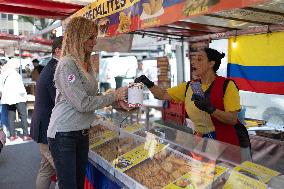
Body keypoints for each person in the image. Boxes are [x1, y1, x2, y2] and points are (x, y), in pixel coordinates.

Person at [47, 17, 129, 189]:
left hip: (81, 133)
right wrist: (113, 96)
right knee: (69, 185)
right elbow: (83, 103)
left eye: (95, 38)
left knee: (77, 183)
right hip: (64, 134)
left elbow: (92, 96)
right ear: (78, 37)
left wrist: (116, 103)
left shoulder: (85, 63)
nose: (94, 42)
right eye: (90, 37)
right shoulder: (67, 64)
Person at [135, 47, 251, 161]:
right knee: (204, 174)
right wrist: (148, 83)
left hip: (225, 142)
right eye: (194, 59)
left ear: (211, 63)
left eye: (199, 59)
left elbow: (232, 119)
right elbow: (162, 95)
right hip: (201, 141)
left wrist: (211, 109)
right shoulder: (192, 86)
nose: (194, 62)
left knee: (224, 174)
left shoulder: (227, 85)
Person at [30, 36, 63, 189]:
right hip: (47, 129)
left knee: (46, 169)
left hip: (43, 126)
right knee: (64, 171)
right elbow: (60, 100)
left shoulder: (52, 66)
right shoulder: (54, 69)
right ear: (58, 50)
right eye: (68, 48)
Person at [0, 59, 31, 141]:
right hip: (19, 96)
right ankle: (25, 135)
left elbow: (1, 88)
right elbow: (21, 86)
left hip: (9, 98)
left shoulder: (2, 75)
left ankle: (12, 136)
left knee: (11, 116)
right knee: (23, 116)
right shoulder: (15, 74)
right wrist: (25, 96)